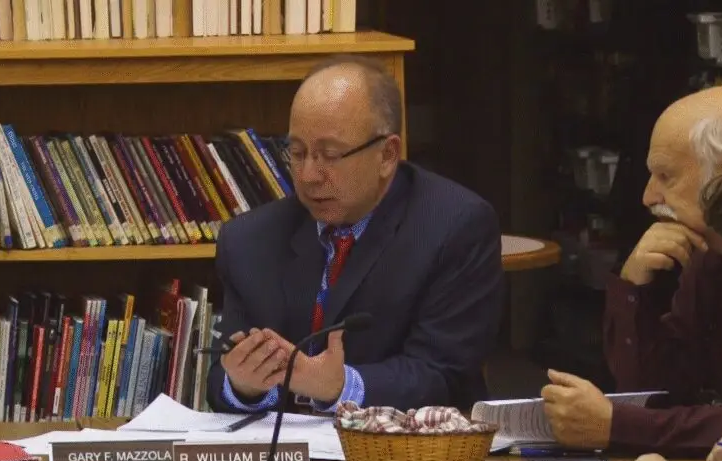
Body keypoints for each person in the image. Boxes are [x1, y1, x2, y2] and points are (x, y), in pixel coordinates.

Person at [206, 55, 504, 414]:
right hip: (284, 447)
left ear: (387, 155)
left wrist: (341, 387)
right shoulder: (249, 242)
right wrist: (246, 386)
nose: (309, 175)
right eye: (297, 152)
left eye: (330, 155)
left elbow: (444, 376)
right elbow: (222, 375)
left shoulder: (454, 228)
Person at [540, 87, 722, 456]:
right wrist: (634, 288)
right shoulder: (708, 256)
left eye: (666, 175)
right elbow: (660, 391)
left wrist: (617, 426)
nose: (648, 197)